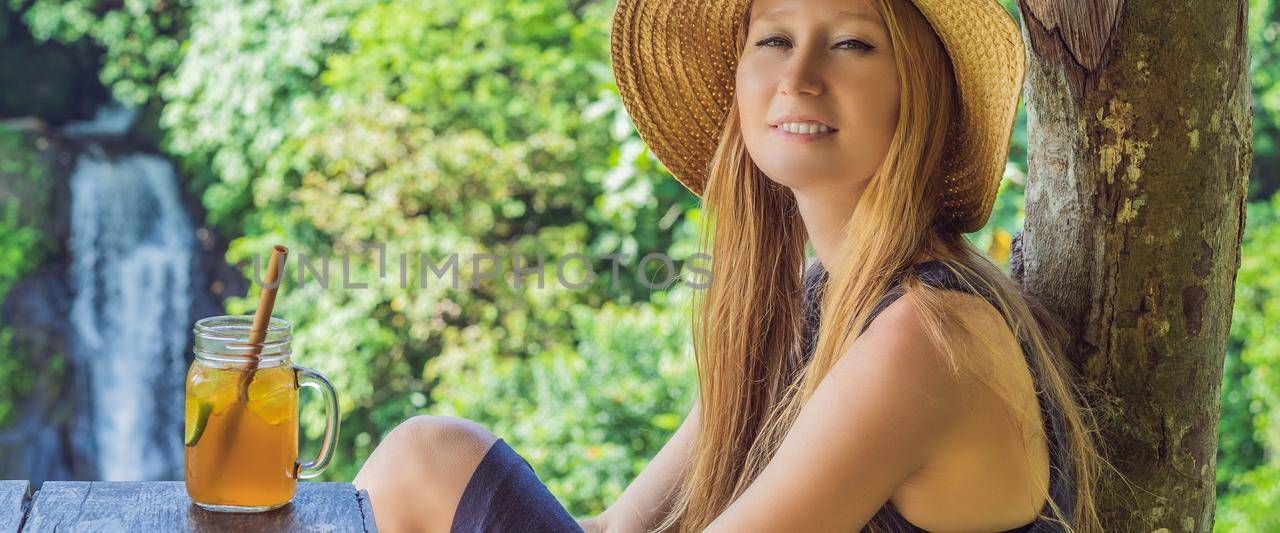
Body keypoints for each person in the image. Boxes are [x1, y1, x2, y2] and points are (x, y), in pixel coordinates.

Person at [352, 0, 1106, 531]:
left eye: (851, 43)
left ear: (923, 89)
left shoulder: (928, 336)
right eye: (774, 38)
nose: (799, 76)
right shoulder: (824, 297)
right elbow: (624, 525)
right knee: (429, 462)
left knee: (429, 458)